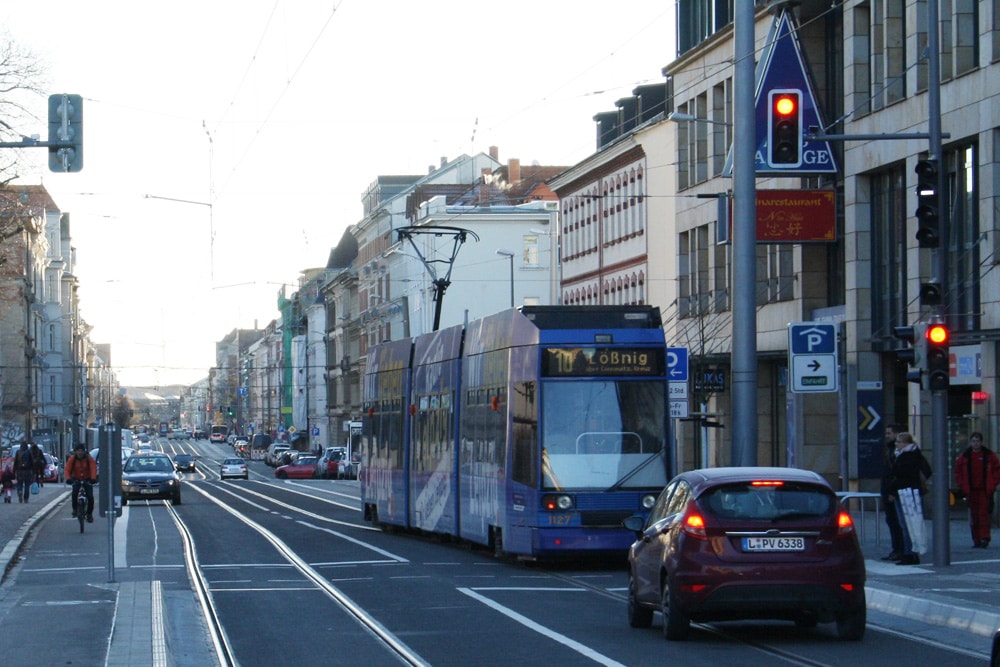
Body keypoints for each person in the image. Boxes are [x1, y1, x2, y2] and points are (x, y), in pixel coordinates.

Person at [891, 432, 933, 565]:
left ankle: (910, 553)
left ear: (906, 443)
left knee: (907, 524)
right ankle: (910, 552)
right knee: (907, 524)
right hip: (905, 491)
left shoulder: (909, 456)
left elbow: (901, 474)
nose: (896, 444)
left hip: (907, 493)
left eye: (899, 442)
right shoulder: (908, 454)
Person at [953, 432, 1000, 548]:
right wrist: (962, 484)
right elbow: (958, 471)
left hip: (984, 489)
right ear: (971, 442)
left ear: (981, 442)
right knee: (974, 516)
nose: (976, 444)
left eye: (977, 441)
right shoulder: (965, 456)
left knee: (983, 514)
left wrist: (993, 484)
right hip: (971, 490)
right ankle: (977, 539)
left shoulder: (988, 455)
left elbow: (997, 470)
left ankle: (984, 538)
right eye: (974, 441)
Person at [880, 423, 906, 561]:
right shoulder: (890, 450)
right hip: (888, 490)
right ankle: (897, 549)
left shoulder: (897, 452)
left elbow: (894, 474)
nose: (887, 436)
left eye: (889, 433)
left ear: (896, 434)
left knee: (896, 522)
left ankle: (900, 549)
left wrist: (891, 492)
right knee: (892, 521)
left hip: (893, 492)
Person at [64, 443, 97, 522]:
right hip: (76, 478)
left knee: (90, 497)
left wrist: (93, 478)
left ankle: (89, 514)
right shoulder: (72, 459)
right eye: (78, 451)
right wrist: (68, 479)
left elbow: (93, 468)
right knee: (74, 493)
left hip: (87, 479)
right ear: (75, 452)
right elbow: (67, 469)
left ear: (84, 451)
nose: (80, 452)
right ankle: (75, 510)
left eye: (81, 450)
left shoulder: (89, 459)